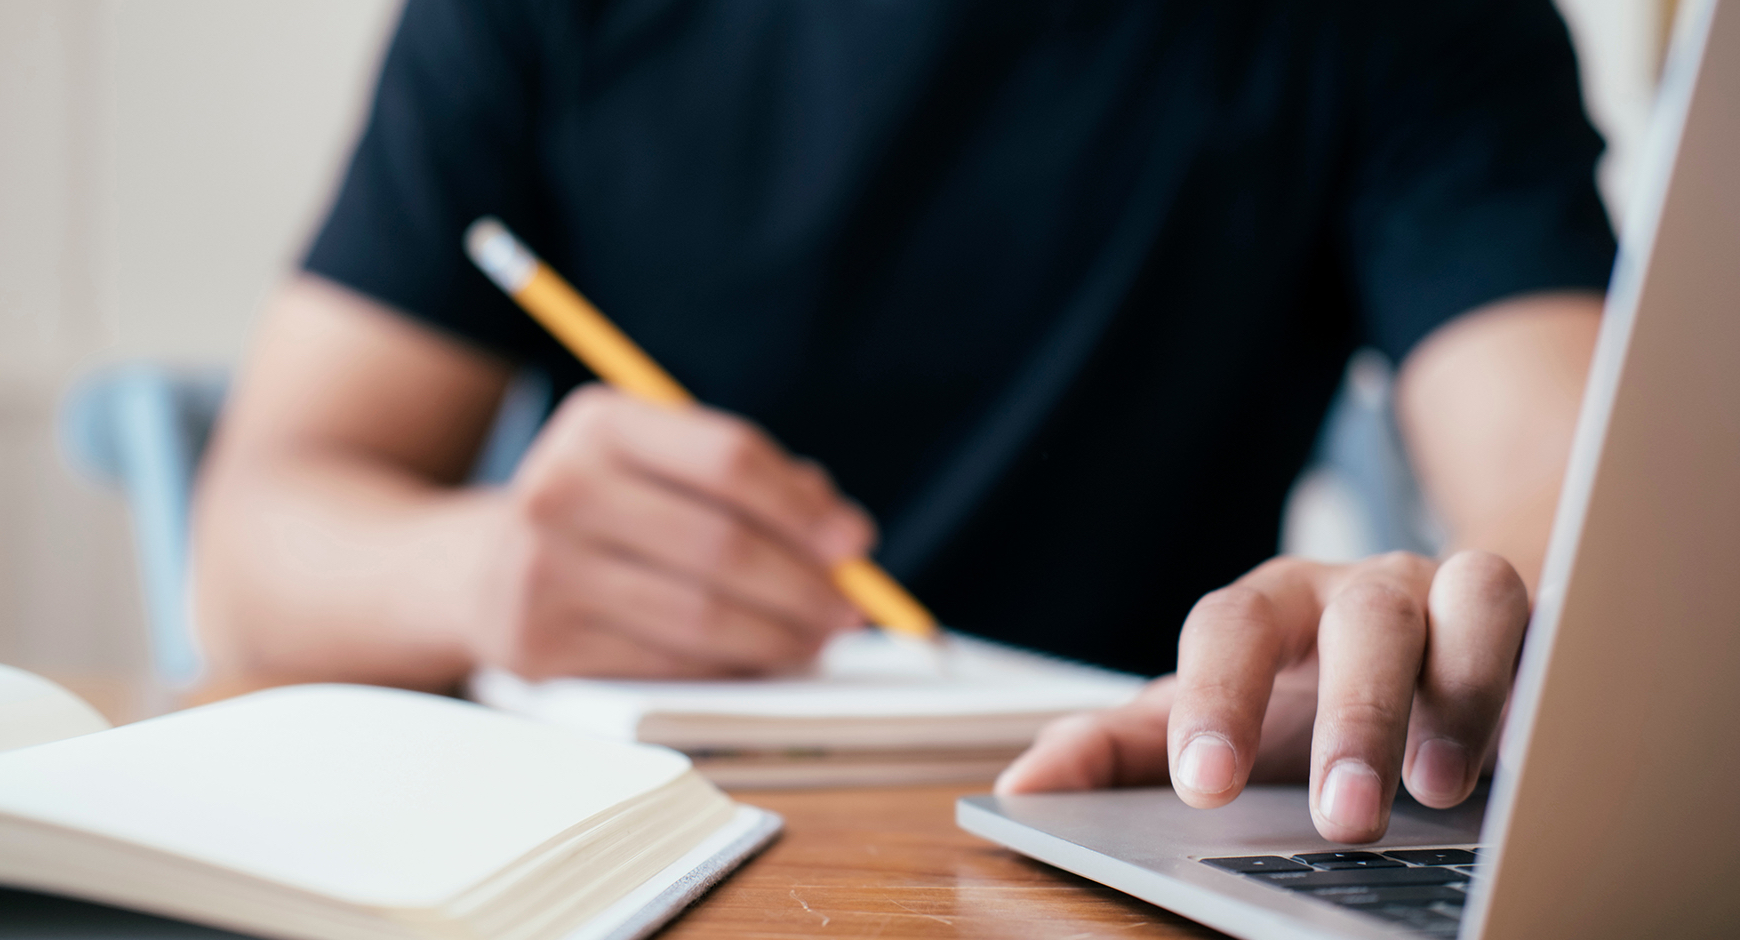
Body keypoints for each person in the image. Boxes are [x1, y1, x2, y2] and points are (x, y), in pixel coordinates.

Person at [192, 0, 1614, 843]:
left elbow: (1579, 485)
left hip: (1111, 827)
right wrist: (477, 571)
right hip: (621, 836)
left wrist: (1434, 631)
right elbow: (254, 540)